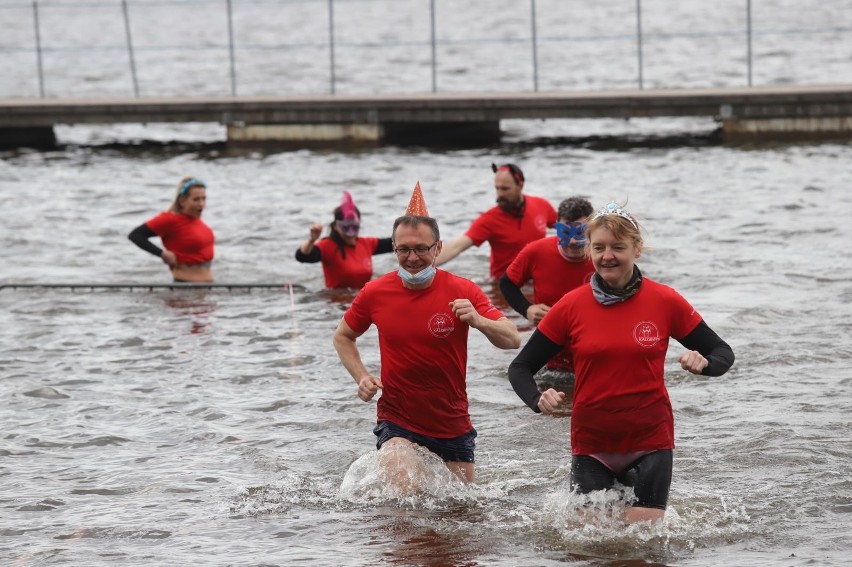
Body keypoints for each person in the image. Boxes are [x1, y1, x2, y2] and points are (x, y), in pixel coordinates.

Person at [507, 201, 735, 523]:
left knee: (641, 548)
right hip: (592, 443)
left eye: (618, 247)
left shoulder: (665, 300)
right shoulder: (571, 306)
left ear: (637, 249)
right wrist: (536, 398)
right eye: (598, 247)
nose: (607, 256)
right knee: (589, 547)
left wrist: (704, 363)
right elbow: (519, 368)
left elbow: (723, 353)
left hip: (650, 441)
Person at [333, 183, 520, 486]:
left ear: (438, 248)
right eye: (403, 249)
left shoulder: (463, 290)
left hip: (451, 422)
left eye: (421, 249)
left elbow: (512, 338)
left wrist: (478, 320)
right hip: (397, 419)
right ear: (394, 249)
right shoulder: (375, 293)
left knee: (460, 512)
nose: (412, 258)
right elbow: (343, 336)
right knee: (405, 494)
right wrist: (361, 377)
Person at [499, 196, 596, 371]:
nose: (573, 242)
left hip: (592, 352)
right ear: (556, 226)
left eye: (580, 233)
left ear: (592, 229)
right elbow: (507, 283)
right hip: (551, 358)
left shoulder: (603, 257)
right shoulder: (536, 251)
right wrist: (526, 309)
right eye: (565, 233)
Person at [436, 163, 557, 281]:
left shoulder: (541, 205)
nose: (500, 194)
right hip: (505, 286)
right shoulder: (489, 219)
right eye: (497, 188)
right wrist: (426, 264)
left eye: (505, 189)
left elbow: (565, 228)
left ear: (520, 185)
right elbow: (457, 246)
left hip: (535, 281)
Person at [295, 191, 393, 289]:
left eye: (354, 227)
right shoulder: (328, 246)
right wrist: (312, 240)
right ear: (336, 226)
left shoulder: (366, 244)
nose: (351, 233)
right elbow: (302, 256)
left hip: (363, 299)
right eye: (345, 228)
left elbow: (395, 243)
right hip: (337, 302)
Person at [128, 177, 214, 282]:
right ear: (182, 201)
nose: (201, 204)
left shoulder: (197, 221)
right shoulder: (170, 219)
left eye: (203, 198)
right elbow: (136, 235)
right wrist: (161, 253)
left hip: (206, 288)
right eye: (196, 199)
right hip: (184, 288)